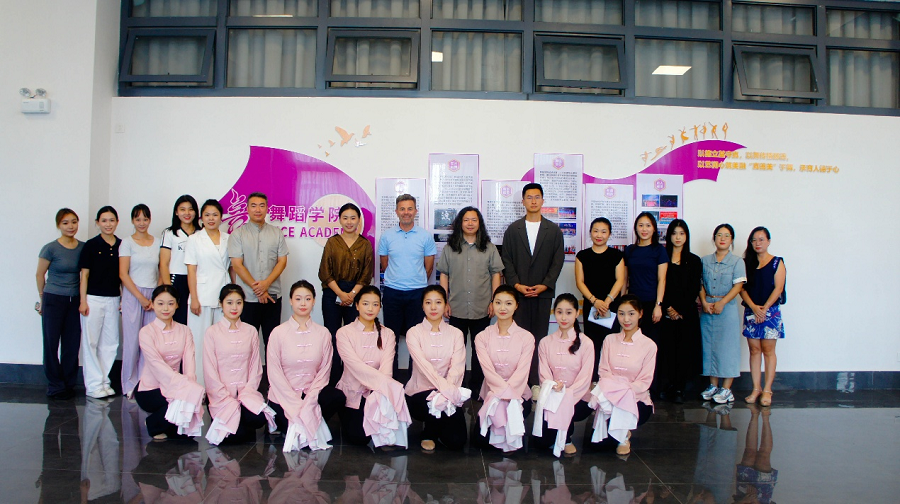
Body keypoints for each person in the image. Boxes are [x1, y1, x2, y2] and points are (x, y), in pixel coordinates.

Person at [268, 280, 346, 451]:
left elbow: (325, 370)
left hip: (312, 393)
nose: (303, 303)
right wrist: (295, 402)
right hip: (284, 395)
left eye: (308, 299)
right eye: (298, 299)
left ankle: (307, 420)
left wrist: (310, 399)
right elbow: (274, 373)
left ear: (314, 301)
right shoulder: (278, 333)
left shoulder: (323, 333)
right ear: (290, 301)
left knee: (337, 397)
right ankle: (309, 422)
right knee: (289, 418)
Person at [500, 183, 565, 384]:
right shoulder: (513, 230)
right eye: (529, 197)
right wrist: (516, 285)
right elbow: (506, 260)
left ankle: (535, 382)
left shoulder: (553, 230)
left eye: (537, 197)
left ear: (543, 201)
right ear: (523, 201)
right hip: (518, 295)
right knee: (518, 338)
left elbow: (557, 261)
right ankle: (517, 381)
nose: (533, 201)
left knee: (539, 338)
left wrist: (545, 284)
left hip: (542, 294)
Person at [437, 206, 503, 395]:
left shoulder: (489, 248)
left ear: (479, 223)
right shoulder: (450, 248)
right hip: (456, 307)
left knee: (479, 349)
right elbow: (444, 274)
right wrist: (444, 301)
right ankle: (455, 385)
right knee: (456, 350)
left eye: (474, 220)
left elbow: (496, 274)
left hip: (482, 307)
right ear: (460, 223)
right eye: (466, 220)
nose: (470, 223)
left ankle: (477, 386)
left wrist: (494, 301)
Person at [335, 286, 411, 448]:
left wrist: (380, 392)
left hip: (378, 393)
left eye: (375, 304)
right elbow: (356, 367)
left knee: (386, 430)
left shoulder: (388, 334)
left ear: (380, 307)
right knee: (359, 438)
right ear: (357, 306)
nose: (370, 309)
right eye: (365, 304)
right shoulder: (344, 333)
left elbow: (386, 369)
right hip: (353, 393)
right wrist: (388, 385)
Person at [203, 284, 274, 445]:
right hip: (221, 396)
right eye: (229, 303)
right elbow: (210, 370)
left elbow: (255, 368)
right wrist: (225, 396)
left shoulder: (250, 331)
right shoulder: (212, 332)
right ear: (221, 304)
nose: (234, 307)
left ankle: (242, 415)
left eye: (238, 302)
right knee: (236, 436)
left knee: (259, 419)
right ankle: (233, 417)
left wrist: (247, 391)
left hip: (245, 393)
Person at [377, 194, 437, 382]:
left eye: (410, 208)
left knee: (415, 340)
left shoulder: (425, 236)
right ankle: (391, 380)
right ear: (396, 211)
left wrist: (414, 281)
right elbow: (384, 264)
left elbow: (429, 267)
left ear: (416, 211)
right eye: (402, 209)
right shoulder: (387, 236)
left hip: (417, 293)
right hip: (392, 293)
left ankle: (414, 381)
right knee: (391, 339)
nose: (406, 212)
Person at [589, 294, 657, 456]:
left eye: (631, 314)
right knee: (598, 446)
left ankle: (624, 436)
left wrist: (622, 392)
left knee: (621, 415)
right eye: (621, 314)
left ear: (640, 314)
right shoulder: (609, 340)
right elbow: (603, 371)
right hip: (609, 397)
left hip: (635, 399)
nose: (626, 319)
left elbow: (644, 381)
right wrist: (613, 393)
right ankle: (616, 429)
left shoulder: (649, 345)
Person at [135, 285, 205, 440]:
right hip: (151, 389)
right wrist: (182, 385)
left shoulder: (185, 330)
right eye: (160, 303)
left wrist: (190, 385)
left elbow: (189, 362)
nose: (165, 308)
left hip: (178, 385)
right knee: (181, 403)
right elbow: (155, 364)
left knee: (185, 433)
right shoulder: (146, 332)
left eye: (170, 303)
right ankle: (153, 423)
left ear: (177, 305)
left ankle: (167, 421)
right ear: (152, 304)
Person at [404, 285, 469, 452]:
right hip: (420, 393)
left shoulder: (456, 333)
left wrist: (447, 391)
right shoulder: (414, 333)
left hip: (449, 392)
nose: (433, 307)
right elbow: (424, 367)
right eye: (428, 302)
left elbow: (457, 367)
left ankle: (439, 425)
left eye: (438, 302)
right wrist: (444, 389)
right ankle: (429, 433)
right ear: (422, 306)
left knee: (457, 441)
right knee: (430, 401)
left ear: (446, 305)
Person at [473, 285, 535, 452]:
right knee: (479, 442)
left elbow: (522, 372)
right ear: (492, 304)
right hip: (491, 395)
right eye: (498, 302)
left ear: (516, 306)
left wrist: (508, 394)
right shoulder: (482, 337)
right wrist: (500, 394)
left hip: (518, 395)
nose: (502, 308)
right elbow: (488, 372)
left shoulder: (526, 337)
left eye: (508, 303)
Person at [318, 202, 374, 385]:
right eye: (345, 218)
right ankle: (332, 379)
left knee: (353, 338)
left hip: (356, 295)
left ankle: (351, 380)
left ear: (359, 220)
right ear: (340, 220)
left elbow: (366, 275)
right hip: (332, 293)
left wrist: (351, 294)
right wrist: (341, 293)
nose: (349, 222)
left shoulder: (365, 244)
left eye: (353, 218)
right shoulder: (332, 242)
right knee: (332, 336)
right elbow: (324, 272)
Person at [532, 293, 594, 457]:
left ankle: (566, 437)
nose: (564, 317)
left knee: (566, 403)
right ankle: (558, 433)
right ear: (554, 313)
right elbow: (544, 373)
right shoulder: (545, 342)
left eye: (569, 312)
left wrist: (566, 393)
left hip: (578, 398)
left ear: (577, 313)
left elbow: (585, 378)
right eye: (559, 312)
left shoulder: (586, 343)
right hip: (553, 394)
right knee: (541, 443)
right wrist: (553, 387)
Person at [228, 192, 289, 346]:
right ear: (247, 208)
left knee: (272, 342)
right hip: (248, 298)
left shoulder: (276, 233)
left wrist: (266, 284)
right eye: (253, 206)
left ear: (267, 208)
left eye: (262, 206)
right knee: (247, 343)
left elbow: (282, 261)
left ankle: (271, 365)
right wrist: (259, 290)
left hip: (272, 296)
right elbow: (237, 265)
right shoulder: (237, 234)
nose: (258, 209)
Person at [36, 208, 84, 400]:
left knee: (72, 344)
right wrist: (42, 298)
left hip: (75, 301)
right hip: (53, 299)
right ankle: (55, 385)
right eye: (65, 223)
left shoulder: (83, 247)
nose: (70, 226)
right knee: (51, 343)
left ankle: (68, 384)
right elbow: (40, 274)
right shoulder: (50, 248)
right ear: (58, 225)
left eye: (74, 222)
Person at [185, 199, 232, 385]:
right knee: (199, 343)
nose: (211, 218)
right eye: (207, 215)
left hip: (223, 295)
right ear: (201, 218)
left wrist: (234, 294)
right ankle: (199, 385)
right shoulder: (194, 239)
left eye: (215, 215)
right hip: (202, 296)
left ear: (221, 217)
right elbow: (191, 270)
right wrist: (194, 298)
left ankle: (220, 386)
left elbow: (232, 268)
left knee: (222, 343)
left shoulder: (229, 238)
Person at [699, 224, 747, 405]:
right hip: (707, 308)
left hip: (726, 309)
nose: (723, 238)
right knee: (709, 346)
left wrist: (722, 302)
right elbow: (700, 284)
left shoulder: (737, 262)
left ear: (731, 240)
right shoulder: (705, 260)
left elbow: (738, 286)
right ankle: (713, 385)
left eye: (727, 235)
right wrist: (704, 302)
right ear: (714, 238)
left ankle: (726, 389)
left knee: (728, 348)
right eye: (719, 235)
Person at [78, 206, 122, 399]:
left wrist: (122, 298)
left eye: (111, 220)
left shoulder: (121, 245)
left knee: (111, 343)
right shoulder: (91, 245)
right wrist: (83, 300)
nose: (108, 224)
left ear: (117, 222)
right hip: (93, 299)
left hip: (113, 298)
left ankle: (104, 381)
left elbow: (123, 275)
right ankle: (93, 385)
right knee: (91, 342)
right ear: (97, 223)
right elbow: (84, 275)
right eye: (104, 220)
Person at [739, 227, 786, 407]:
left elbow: (778, 288)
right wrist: (754, 307)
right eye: (754, 240)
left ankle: (767, 390)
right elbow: (741, 288)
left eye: (761, 239)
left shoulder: (776, 262)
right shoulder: (746, 263)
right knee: (754, 350)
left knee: (768, 350)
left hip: (770, 312)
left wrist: (764, 309)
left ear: (768, 241)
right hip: (752, 311)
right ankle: (756, 388)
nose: (757, 243)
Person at [574, 217, 625, 380]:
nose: (599, 235)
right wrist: (595, 301)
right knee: (592, 343)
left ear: (609, 234)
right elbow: (580, 282)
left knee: (611, 343)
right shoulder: (582, 256)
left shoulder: (617, 255)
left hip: (611, 306)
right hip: (592, 306)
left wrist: (607, 301)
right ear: (590, 232)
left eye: (603, 231)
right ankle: (594, 380)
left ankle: (611, 379)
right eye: (596, 231)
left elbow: (620, 280)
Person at [623, 212, 668, 396]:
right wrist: (623, 304)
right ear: (636, 228)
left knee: (650, 347)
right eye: (641, 225)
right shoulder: (630, 250)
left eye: (648, 225)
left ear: (654, 229)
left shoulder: (659, 250)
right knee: (632, 346)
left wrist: (659, 305)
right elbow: (625, 279)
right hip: (633, 306)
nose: (644, 229)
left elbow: (662, 280)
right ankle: (632, 387)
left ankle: (651, 388)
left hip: (651, 305)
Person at [658, 219, 702, 404]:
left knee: (684, 350)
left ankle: (680, 388)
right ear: (669, 236)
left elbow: (694, 288)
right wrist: (668, 308)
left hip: (686, 314)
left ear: (686, 236)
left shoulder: (694, 260)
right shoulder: (662, 257)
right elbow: (660, 283)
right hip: (666, 312)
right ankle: (668, 384)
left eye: (682, 233)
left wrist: (680, 310)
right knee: (668, 350)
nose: (678, 237)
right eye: (674, 233)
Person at [119, 204, 160, 398]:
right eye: (138, 219)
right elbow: (123, 274)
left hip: (153, 297)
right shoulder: (127, 243)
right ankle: (129, 384)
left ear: (150, 220)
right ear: (132, 221)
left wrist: (155, 296)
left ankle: (145, 383)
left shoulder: (157, 242)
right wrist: (141, 298)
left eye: (145, 219)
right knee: (131, 342)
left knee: (149, 343)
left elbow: (161, 270)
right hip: (133, 295)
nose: (142, 223)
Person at [159, 195, 200, 325]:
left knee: (195, 320)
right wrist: (168, 288)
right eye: (182, 209)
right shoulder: (169, 233)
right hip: (177, 279)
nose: (187, 213)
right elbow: (164, 263)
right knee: (177, 320)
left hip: (197, 280)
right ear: (176, 212)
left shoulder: (201, 233)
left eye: (190, 209)